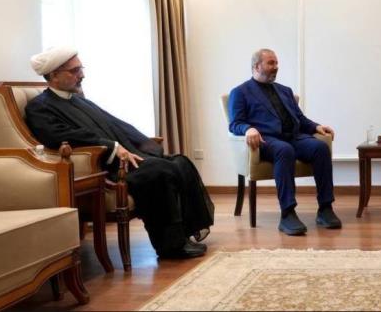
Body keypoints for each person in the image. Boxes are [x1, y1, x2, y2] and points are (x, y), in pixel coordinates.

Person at [25, 47, 214, 259]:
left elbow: (117, 125)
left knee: (180, 162)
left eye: (81, 68)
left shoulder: (79, 100)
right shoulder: (40, 107)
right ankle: (171, 246)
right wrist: (112, 147)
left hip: (126, 157)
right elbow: (58, 136)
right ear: (54, 75)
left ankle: (186, 232)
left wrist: (144, 146)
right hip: (106, 167)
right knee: (159, 171)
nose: (82, 75)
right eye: (75, 70)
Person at [228, 48, 340, 236]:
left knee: (320, 148)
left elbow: (300, 119)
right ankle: (287, 214)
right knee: (284, 150)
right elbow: (235, 123)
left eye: (276, 63)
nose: (276, 67)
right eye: (271, 63)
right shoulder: (240, 92)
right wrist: (248, 129)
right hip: (267, 140)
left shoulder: (285, 91)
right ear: (257, 66)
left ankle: (325, 208)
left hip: (294, 137)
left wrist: (316, 127)